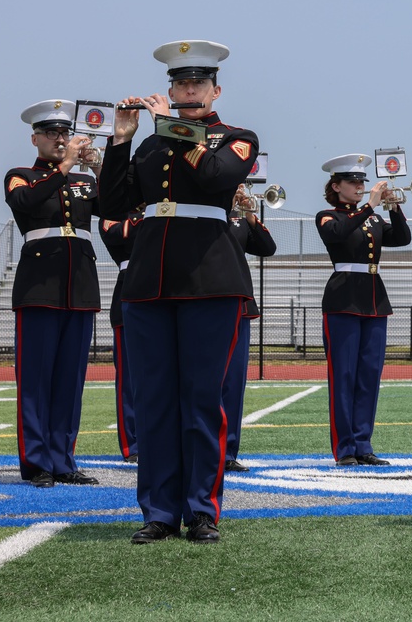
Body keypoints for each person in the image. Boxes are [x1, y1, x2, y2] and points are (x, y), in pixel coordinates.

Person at [99, 40, 260, 544]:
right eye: (179, 84)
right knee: (155, 401)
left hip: (209, 279)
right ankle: (158, 513)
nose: (187, 91)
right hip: (149, 280)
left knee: (199, 398)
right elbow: (111, 201)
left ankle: (201, 510)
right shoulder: (147, 143)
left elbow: (216, 177)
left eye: (197, 84)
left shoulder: (236, 137)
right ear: (169, 87)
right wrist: (122, 140)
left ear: (215, 89)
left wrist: (169, 126)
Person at [5, 99, 101, 488]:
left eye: (65, 133)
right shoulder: (21, 175)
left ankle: (63, 459)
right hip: (39, 287)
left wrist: (97, 166)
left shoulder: (85, 181)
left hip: (79, 285)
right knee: (36, 380)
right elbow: (24, 203)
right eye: (52, 133)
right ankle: (36, 463)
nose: (60, 139)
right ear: (35, 138)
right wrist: (64, 168)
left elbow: (117, 206)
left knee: (69, 381)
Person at [316, 154, 410, 467]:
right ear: (336, 186)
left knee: (369, 376)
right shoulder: (327, 216)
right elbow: (338, 235)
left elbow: (403, 237)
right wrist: (370, 204)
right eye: (353, 182)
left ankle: (363, 444)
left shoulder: (373, 219)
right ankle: (344, 449)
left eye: (362, 182)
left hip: (373, 299)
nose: (359, 186)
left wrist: (394, 207)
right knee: (343, 375)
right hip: (342, 299)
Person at [223, 184, 277, 472]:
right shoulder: (209, 212)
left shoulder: (241, 216)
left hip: (240, 304)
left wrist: (251, 216)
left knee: (234, 384)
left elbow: (268, 248)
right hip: (208, 300)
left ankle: (229, 452)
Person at [99, 208, 145, 463]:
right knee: (128, 379)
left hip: (165, 289)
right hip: (128, 291)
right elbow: (117, 233)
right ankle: (132, 445)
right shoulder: (113, 213)